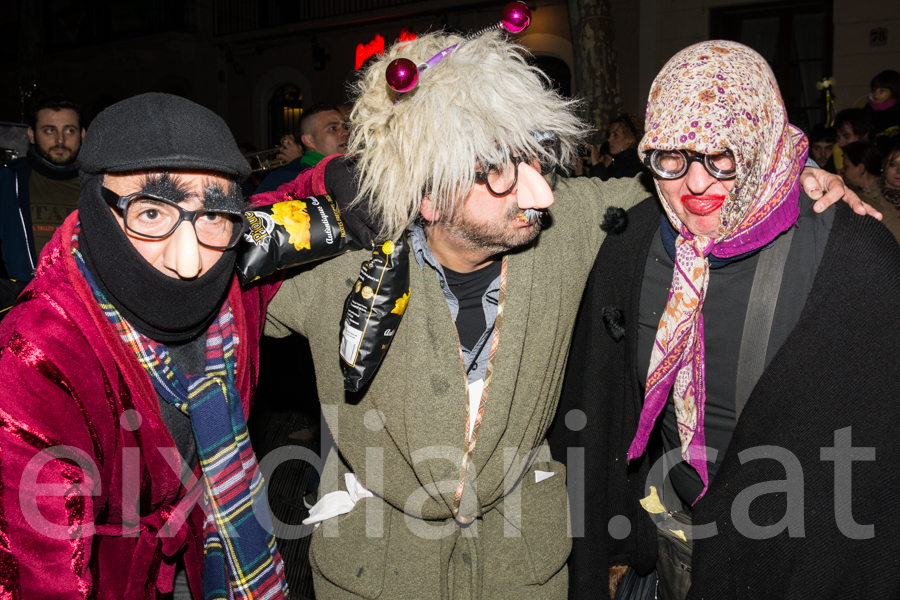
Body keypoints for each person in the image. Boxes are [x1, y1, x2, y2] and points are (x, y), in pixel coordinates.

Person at [255, 31, 861, 600]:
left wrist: (787, 175)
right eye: (499, 173)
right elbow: (199, 256)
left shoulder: (565, 226)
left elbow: (681, 194)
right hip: (374, 571)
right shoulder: (332, 265)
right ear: (426, 186)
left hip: (524, 568)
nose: (541, 194)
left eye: (539, 160)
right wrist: (319, 176)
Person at [551, 40, 900, 599]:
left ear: (761, 144)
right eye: (672, 156)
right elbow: (599, 417)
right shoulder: (633, 246)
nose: (695, 184)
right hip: (669, 551)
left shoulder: (854, 261)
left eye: (723, 157)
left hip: (797, 565)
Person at [0, 93, 289, 599]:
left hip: (208, 561)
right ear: (95, 206)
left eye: (214, 216)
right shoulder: (35, 360)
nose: (189, 262)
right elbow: (39, 576)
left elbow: (283, 212)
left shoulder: (234, 286)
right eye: (151, 213)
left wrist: (330, 179)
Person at [0, 96, 84, 314]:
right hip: (22, 310)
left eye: (69, 131)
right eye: (49, 130)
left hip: (88, 309)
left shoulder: (98, 186)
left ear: (82, 134)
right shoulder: (8, 183)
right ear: (31, 135)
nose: (59, 140)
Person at [254, 103, 349, 193]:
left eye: (345, 126)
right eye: (333, 128)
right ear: (309, 141)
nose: (346, 132)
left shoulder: (350, 172)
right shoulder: (284, 180)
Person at [588, 114, 645, 180]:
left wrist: (596, 165)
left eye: (615, 135)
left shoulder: (634, 167)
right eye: (609, 135)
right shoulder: (616, 163)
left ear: (630, 139)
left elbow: (608, 188)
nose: (609, 139)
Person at [863, 69, 900, 151]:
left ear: (894, 91)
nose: (876, 94)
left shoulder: (897, 109)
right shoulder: (868, 108)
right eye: (874, 90)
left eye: (882, 91)